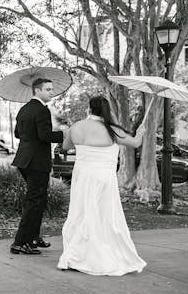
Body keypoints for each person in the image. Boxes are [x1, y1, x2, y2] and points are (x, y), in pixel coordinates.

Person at [57, 96, 147, 275]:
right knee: (105, 214)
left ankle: (76, 254)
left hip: (82, 176)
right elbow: (136, 143)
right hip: (104, 177)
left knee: (81, 212)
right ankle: (100, 253)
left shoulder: (77, 126)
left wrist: (68, 132)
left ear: (89, 109)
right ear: (107, 111)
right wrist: (141, 132)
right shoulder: (111, 130)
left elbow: (64, 147)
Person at [10, 78, 66, 255]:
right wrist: (63, 134)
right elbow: (44, 135)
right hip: (36, 162)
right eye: (48, 89)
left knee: (38, 201)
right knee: (34, 202)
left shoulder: (24, 109)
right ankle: (20, 242)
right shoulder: (42, 110)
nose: (51, 92)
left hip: (24, 160)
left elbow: (18, 133)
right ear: (37, 91)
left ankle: (33, 237)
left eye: (51, 89)